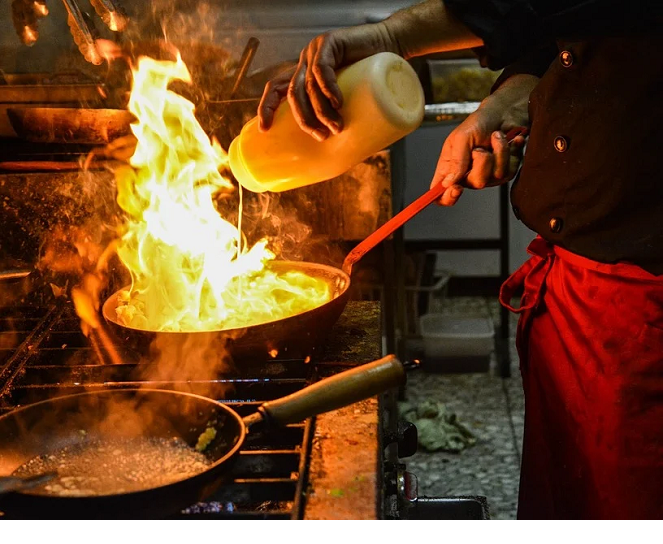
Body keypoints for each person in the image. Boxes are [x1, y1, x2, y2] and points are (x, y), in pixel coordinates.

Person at [257, 0, 663, 520]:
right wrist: (501, 110)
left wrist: (388, 38)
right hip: (571, 293)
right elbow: (563, 48)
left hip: (643, 310)